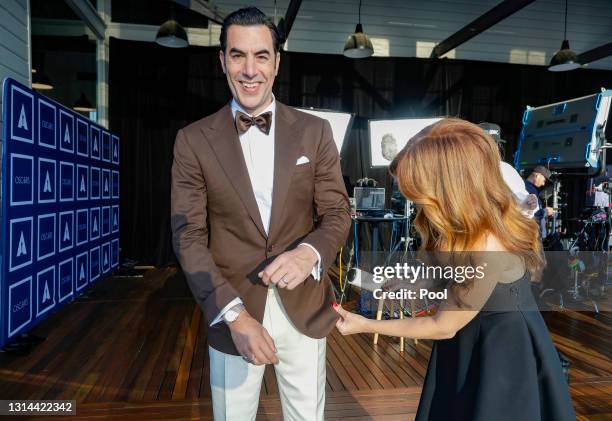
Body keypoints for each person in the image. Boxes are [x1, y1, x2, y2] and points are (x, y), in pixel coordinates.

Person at [170, 7, 350, 420]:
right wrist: (233, 315)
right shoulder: (193, 140)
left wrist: (310, 254)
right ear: (222, 61)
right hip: (233, 311)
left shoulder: (315, 130)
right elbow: (188, 236)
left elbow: (338, 212)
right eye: (238, 55)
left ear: (277, 62)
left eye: (261, 56)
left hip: (304, 306)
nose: (250, 70)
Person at [333, 118, 575, 421]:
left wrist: (363, 325)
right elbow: (456, 280)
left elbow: (442, 325)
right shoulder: (462, 224)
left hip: (503, 358)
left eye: (419, 191)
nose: (413, 200)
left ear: (449, 187)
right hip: (469, 344)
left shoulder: (486, 243)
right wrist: (415, 283)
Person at [525, 165, 556, 238]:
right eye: (544, 180)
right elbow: (528, 215)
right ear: (537, 175)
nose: (543, 184)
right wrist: (545, 211)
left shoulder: (532, 189)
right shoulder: (526, 189)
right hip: (531, 236)